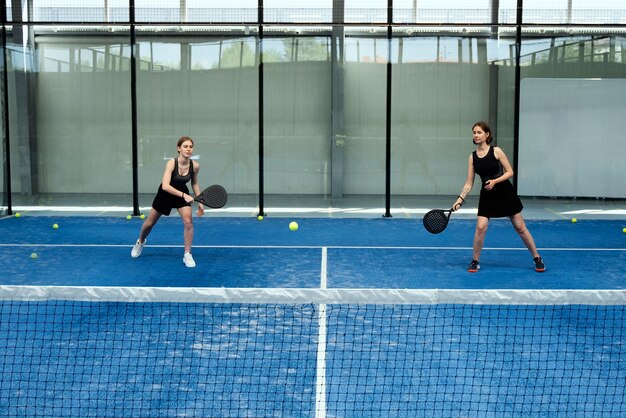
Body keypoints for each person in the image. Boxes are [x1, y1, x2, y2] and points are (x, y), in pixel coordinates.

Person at [452, 121, 545, 273]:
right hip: (487, 195)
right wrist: (459, 200)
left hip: (504, 192)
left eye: (479, 132)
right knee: (480, 227)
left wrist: (495, 181)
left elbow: (510, 172)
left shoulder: (497, 151)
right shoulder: (472, 157)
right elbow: (469, 183)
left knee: (520, 227)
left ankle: (537, 258)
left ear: (487, 135)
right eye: (474, 132)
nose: (475, 135)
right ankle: (475, 261)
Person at [131, 136, 204, 267]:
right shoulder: (171, 163)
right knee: (149, 223)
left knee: (188, 222)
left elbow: (194, 183)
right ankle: (140, 241)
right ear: (179, 148)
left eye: (190, 147)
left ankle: (187, 254)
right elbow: (165, 185)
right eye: (185, 146)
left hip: (182, 193)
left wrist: (200, 201)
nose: (188, 149)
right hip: (166, 193)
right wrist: (184, 195)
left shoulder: (195, 166)